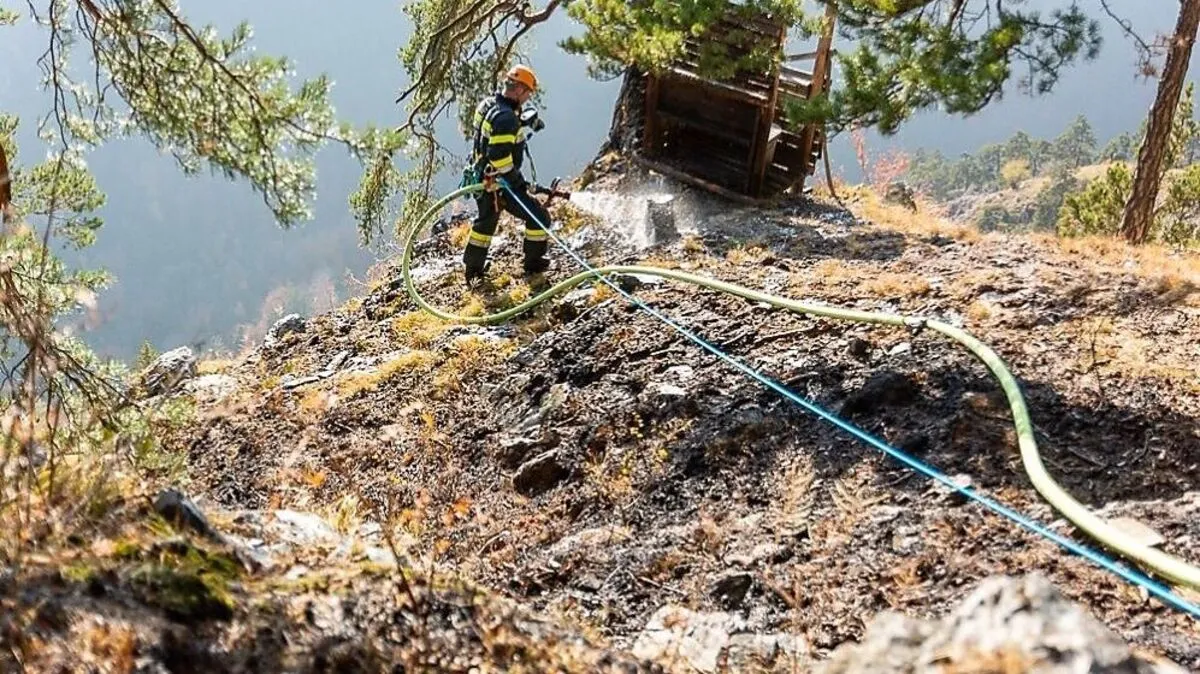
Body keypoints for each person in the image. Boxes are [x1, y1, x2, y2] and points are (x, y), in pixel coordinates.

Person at [462, 64, 553, 284]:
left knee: (485, 223)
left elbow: (488, 135)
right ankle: (533, 265)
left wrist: (520, 122)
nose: (528, 98)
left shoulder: (488, 105)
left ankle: (473, 271)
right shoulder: (506, 119)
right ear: (520, 89)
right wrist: (517, 182)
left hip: (482, 177)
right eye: (528, 93)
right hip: (499, 183)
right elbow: (499, 157)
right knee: (539, 217)